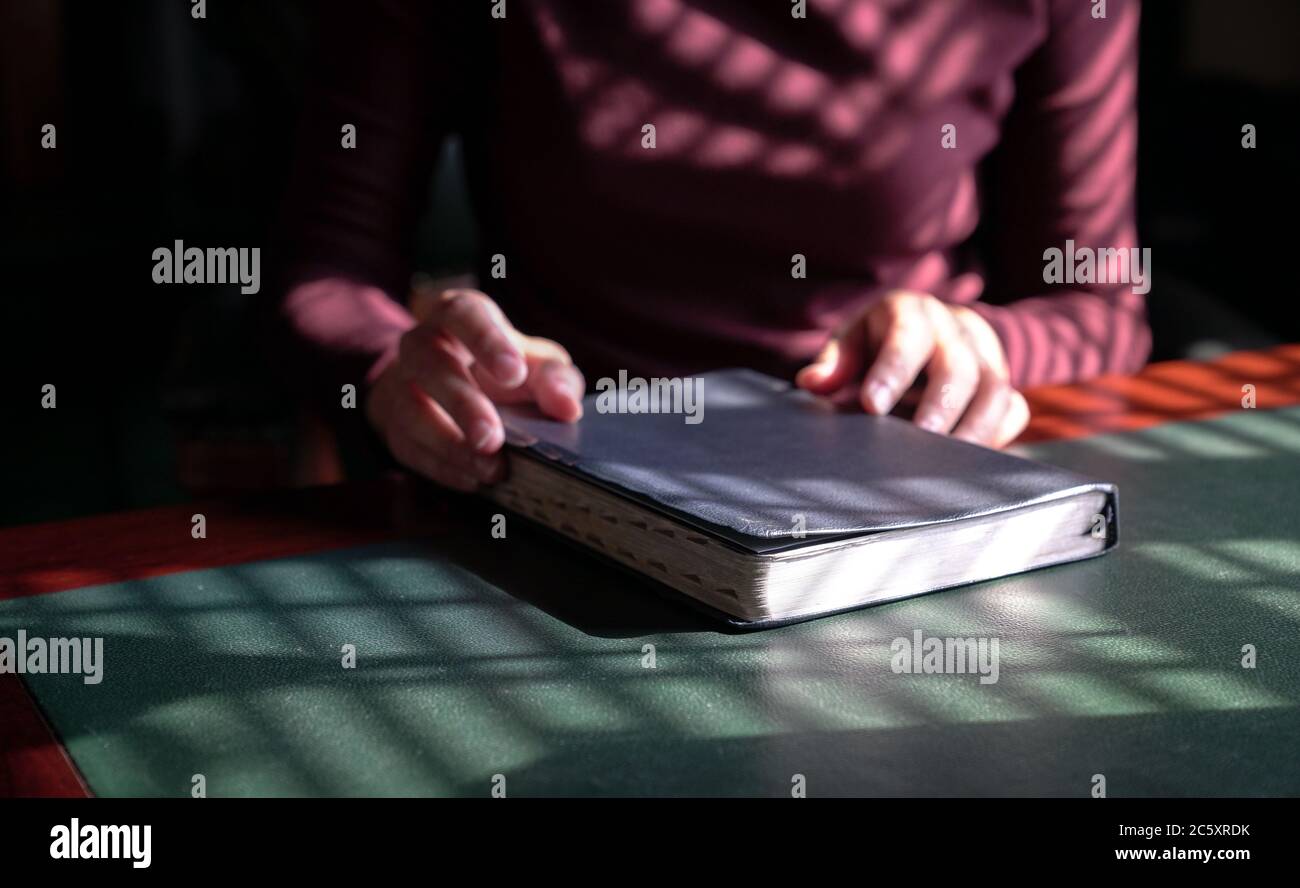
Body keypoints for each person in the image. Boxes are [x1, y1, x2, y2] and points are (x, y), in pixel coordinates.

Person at [273, 0, 1150, 491]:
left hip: (899, 484)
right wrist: (392, 367)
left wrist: (984, 345)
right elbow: (327, 269)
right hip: (555, 482)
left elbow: (1101, 303)